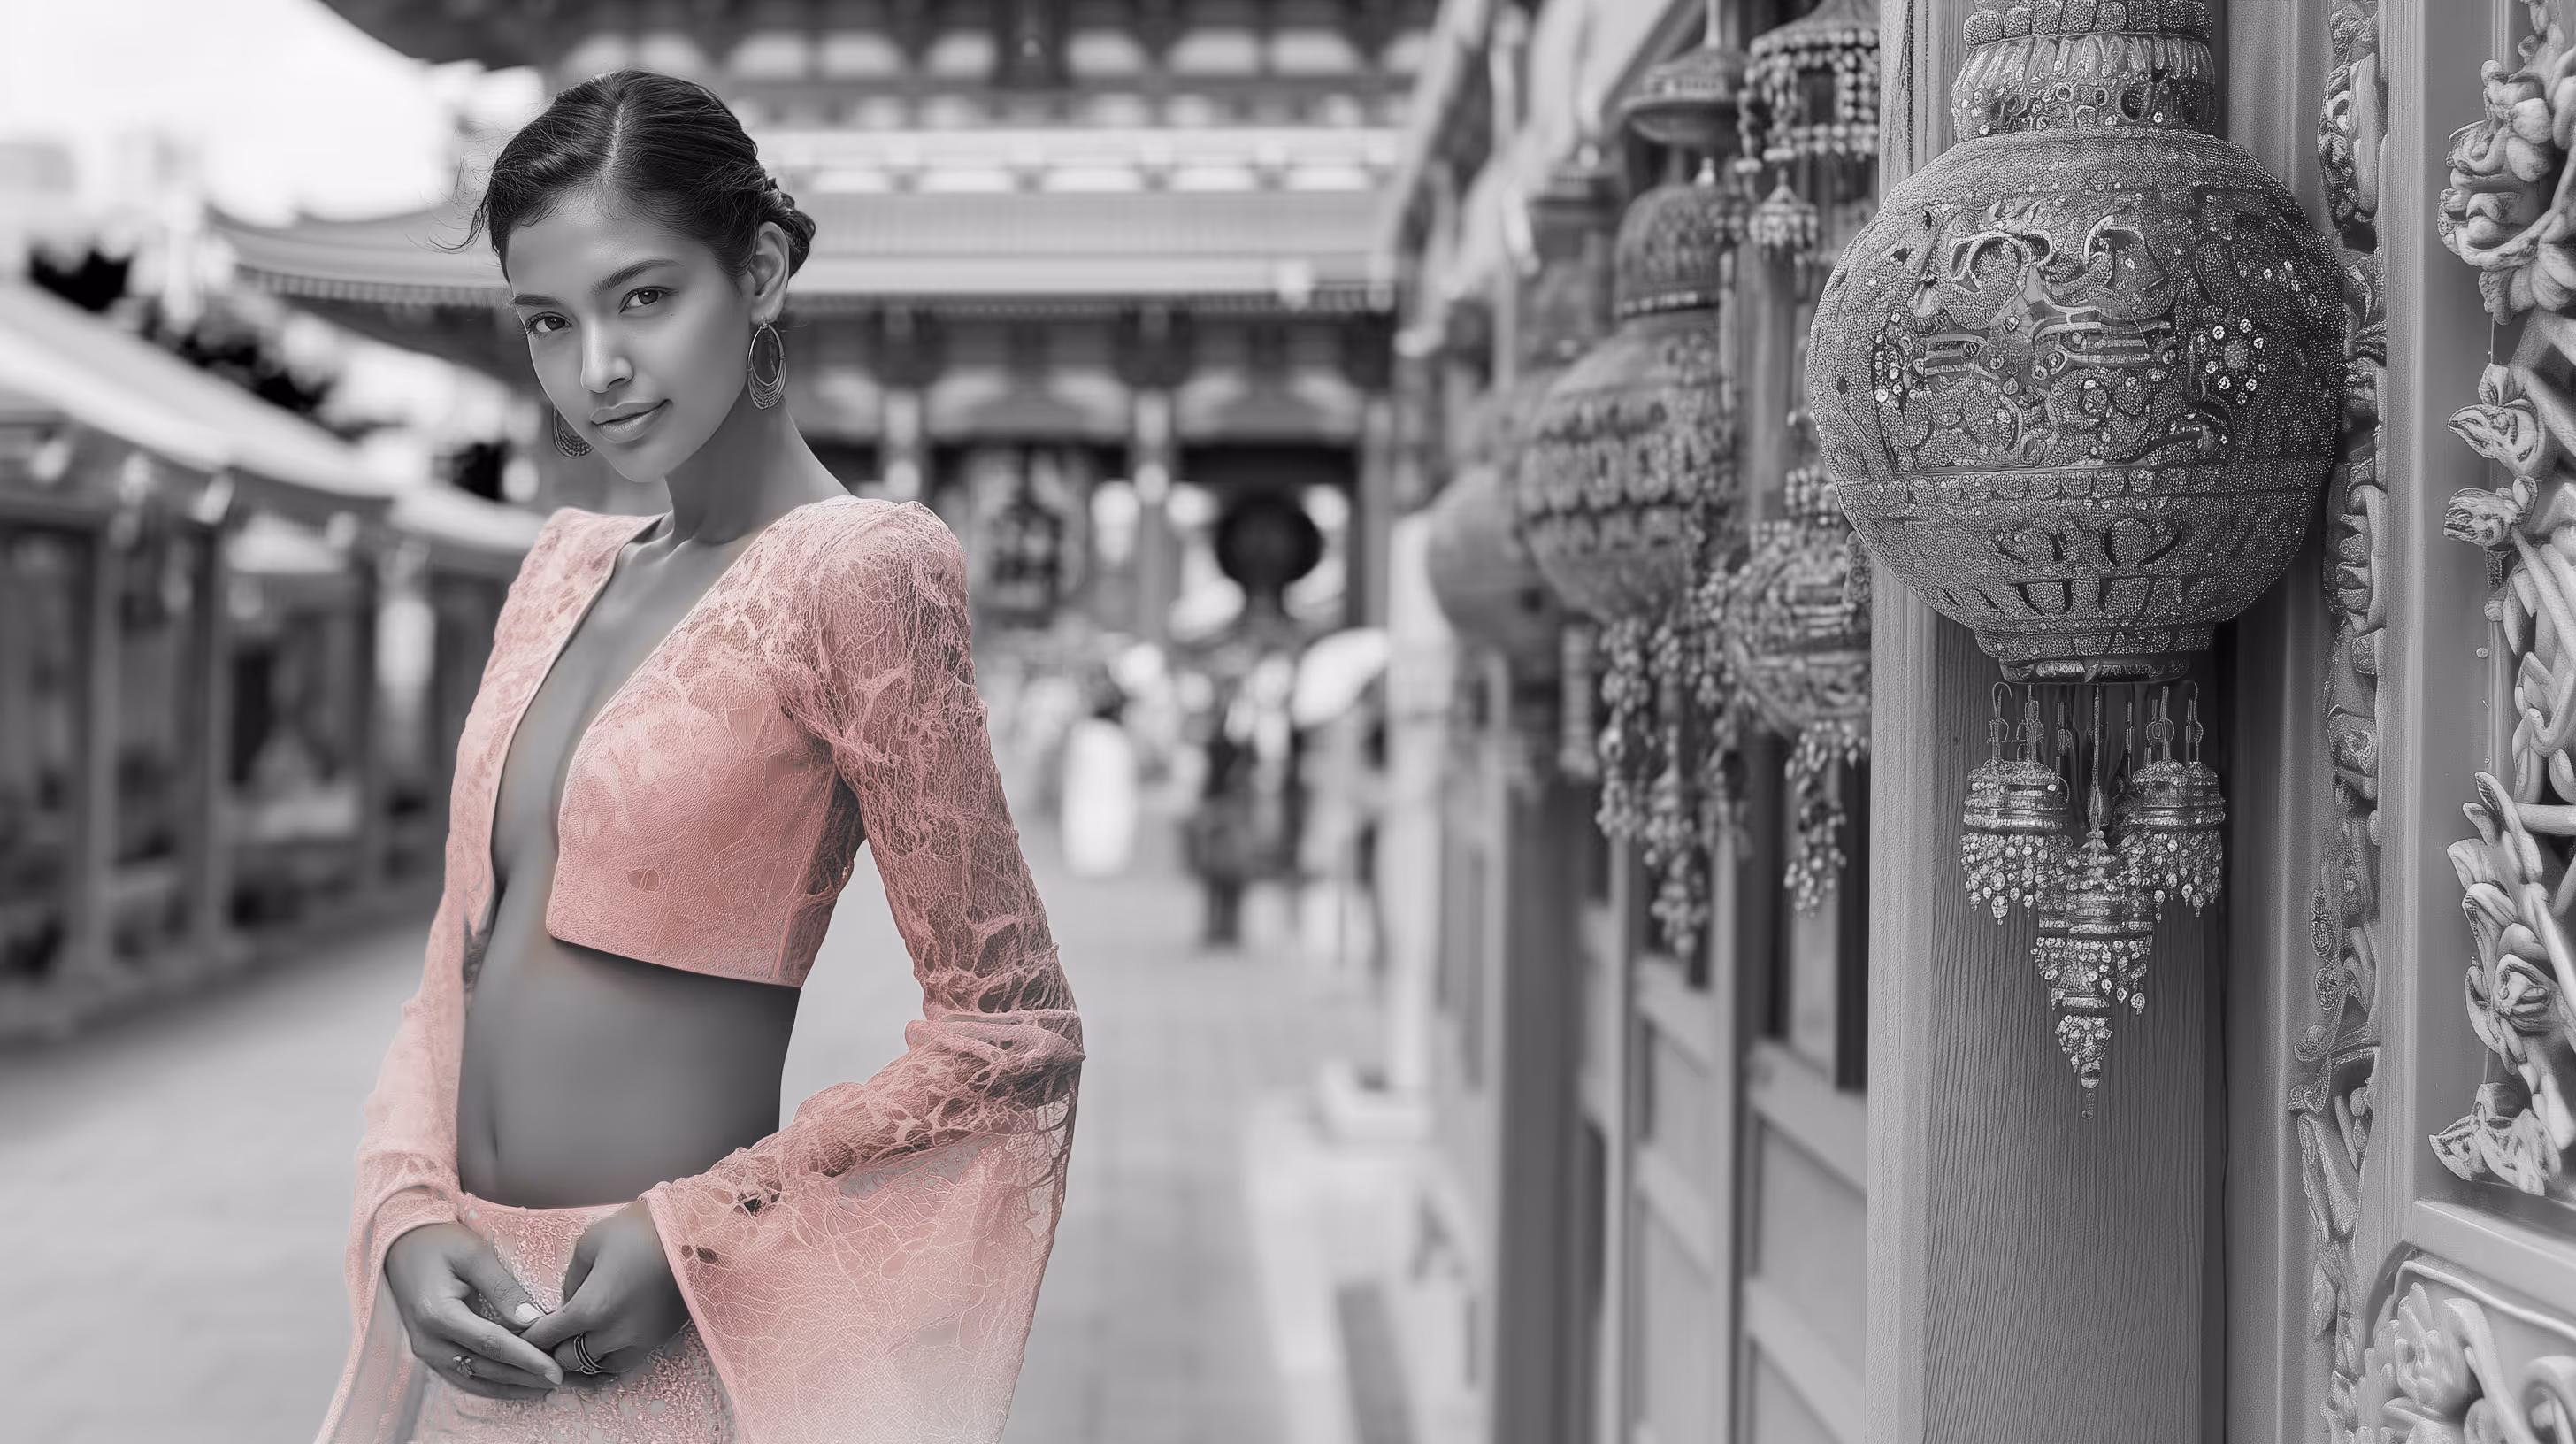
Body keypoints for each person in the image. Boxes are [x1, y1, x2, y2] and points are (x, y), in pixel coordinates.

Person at [313, 72, 1083, 1444]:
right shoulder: (562, 570)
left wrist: (707, 1233)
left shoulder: (860, 571)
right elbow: (458, 960)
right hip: (464, 1331)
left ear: (762, 270)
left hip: (657, 1346)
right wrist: (407, 1213)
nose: (596, 368)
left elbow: (1012, 1027)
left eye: (645, 297)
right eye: (550, 321)